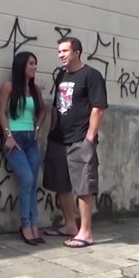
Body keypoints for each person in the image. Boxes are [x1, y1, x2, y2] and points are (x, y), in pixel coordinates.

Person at [42, 37, 107, 248]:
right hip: (59, 139)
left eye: (65, 51)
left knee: (83, 186)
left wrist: (89, 137)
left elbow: (99, 107)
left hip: (80, 139)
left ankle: (85, 232)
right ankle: (70, 225)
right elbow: (56, 106)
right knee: (61, 184)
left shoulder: (91, 75)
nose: (60, 55)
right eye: (59, 51)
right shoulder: (61, 75)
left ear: (77, 52)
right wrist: (52, 131)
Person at [0, 51, 47, 245]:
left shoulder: (34, 89)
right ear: (21, 66)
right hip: (15, 139)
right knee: (26, 179)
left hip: (30, 139)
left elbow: (43, 111)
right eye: (31, 63)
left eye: (35, 63)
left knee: (33, 183)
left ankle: (34, 225)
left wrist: (37, 128)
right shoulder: (9, 86)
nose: (35, 67)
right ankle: (25, 225)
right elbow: (2, 112)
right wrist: (8, 136)